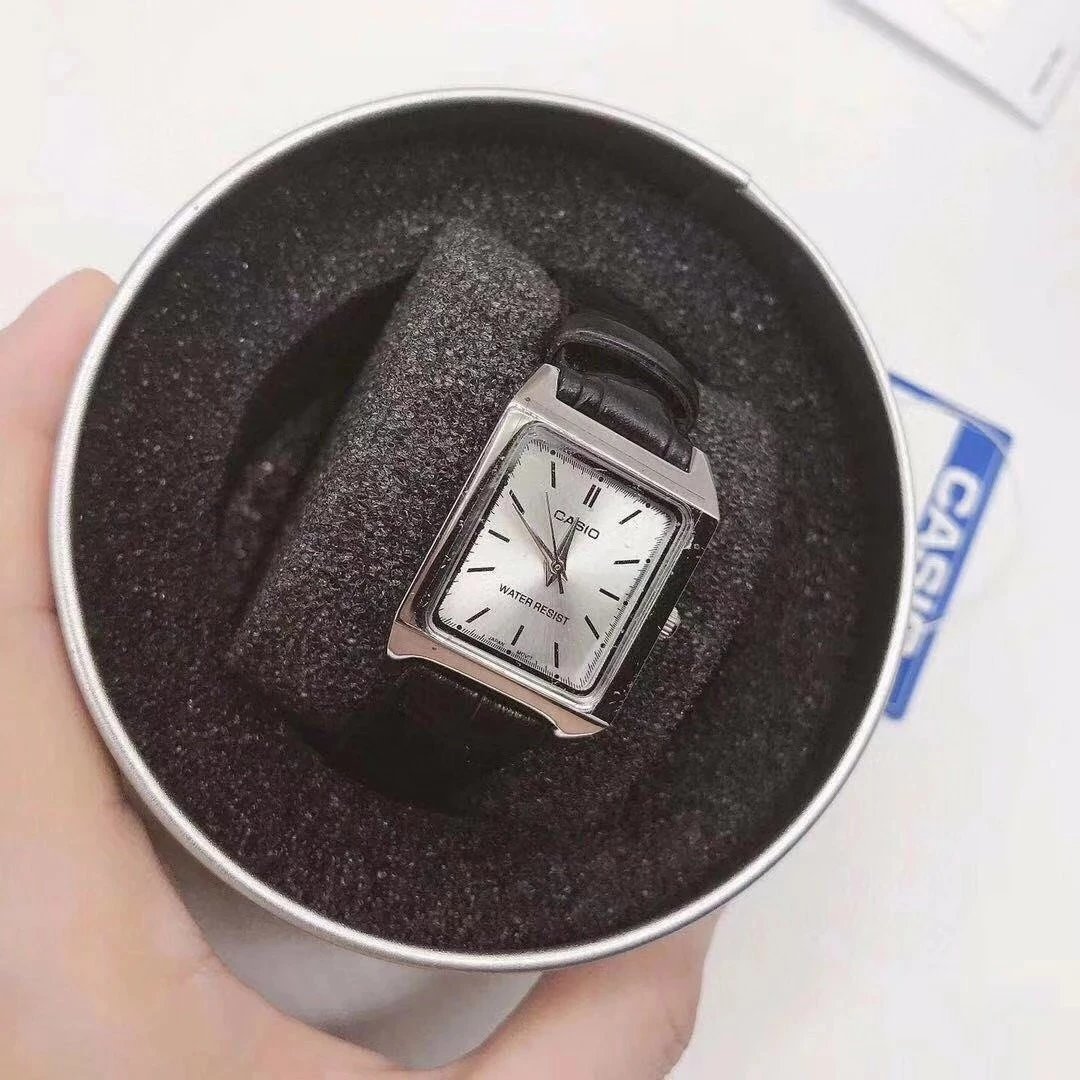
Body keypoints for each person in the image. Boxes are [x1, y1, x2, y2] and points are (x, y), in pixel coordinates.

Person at [0, 271, 717, 1079]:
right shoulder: (546, 412)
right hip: (475, 642)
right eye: (554, 561)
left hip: (528, 677)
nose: (556, 573)